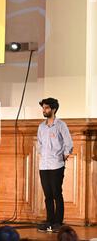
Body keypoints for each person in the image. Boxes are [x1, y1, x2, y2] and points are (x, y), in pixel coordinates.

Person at [37, 98, 73, 233]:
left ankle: (58, 222)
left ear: (53, 109)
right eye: (43, 108)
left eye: (46, 108)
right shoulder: (41, 126)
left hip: (56, 164)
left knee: (57, 193)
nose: (44, 110)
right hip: (44, 165)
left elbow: (68, 142)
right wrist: (42, 153)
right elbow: (39, 143)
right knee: (47, 195)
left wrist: (64, 154)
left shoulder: (61, 125)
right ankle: (49, 220)